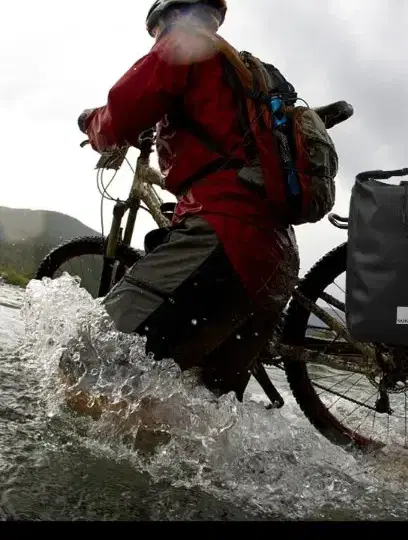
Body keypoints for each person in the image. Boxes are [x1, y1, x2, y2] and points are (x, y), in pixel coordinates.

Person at [77, 0, 300, 402]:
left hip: (225, 239)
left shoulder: (182, 43)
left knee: (84, 356)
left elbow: (122, 113)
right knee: (198, 407)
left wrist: (91, 123)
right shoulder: (242, 73)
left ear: (166, 19)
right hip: (275, 261)